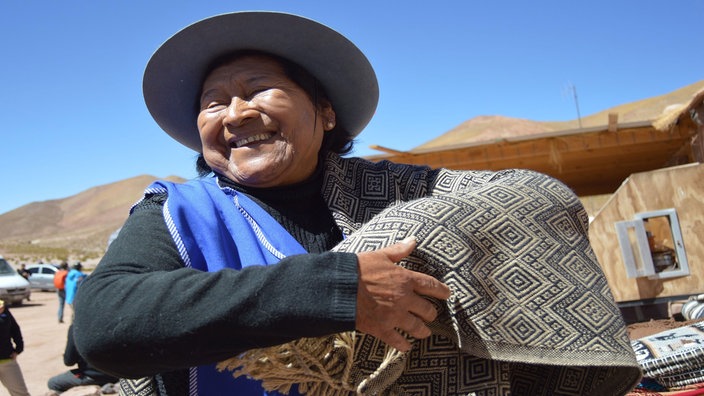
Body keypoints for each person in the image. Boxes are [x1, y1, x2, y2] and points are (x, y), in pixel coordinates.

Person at [73, 11, 641, 396]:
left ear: (324, 113)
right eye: (213, 101)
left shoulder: (396, 190)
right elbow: (103, 325)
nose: (235, 112)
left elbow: (535, 197)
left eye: (258, 88)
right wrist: (342, 291)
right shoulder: (176, 214)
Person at [47, 324, 118, 394]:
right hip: (117, 374)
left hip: (93, 376)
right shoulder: (114, 322)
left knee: (53, 383)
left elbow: (69, 362)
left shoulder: (76, 327)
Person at [0, 300, 30, 396]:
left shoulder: (2, 307)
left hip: (7, 361)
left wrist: (18, 349)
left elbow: (14, 329)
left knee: (21, 394)